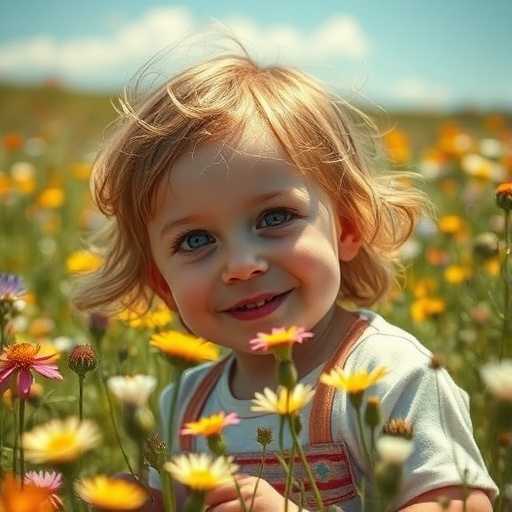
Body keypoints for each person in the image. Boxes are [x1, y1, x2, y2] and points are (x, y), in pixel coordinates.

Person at [72, 34, 497, 511]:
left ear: (347, 228)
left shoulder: (390, 376)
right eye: (195, 240)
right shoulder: (183, 406)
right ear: (162, 284)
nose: (241, 265)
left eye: (274, 218)